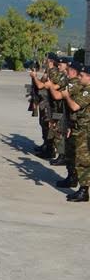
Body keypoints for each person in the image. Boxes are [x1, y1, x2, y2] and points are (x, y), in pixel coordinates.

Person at [49, 60, 83, 188]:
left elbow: (58, 96)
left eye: (69, 69)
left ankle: (73, 178)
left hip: (75, 122)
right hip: (70, 121)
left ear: (74, 71)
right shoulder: (71, 82)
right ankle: (71, 177)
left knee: (73, 152)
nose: (66, 70)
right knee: (70, 151)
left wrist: (50, 85)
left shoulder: (74, 84)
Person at [60, 65, 90, 202]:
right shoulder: (84, 90)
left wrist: (66, 96)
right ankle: (82, 188)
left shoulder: (88, 91)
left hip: (86, 130)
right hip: (81, 128)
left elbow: (74, 106)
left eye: (82, 75)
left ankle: (84, 191)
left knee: (83, 160)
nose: (79, 77)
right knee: (81, 159)